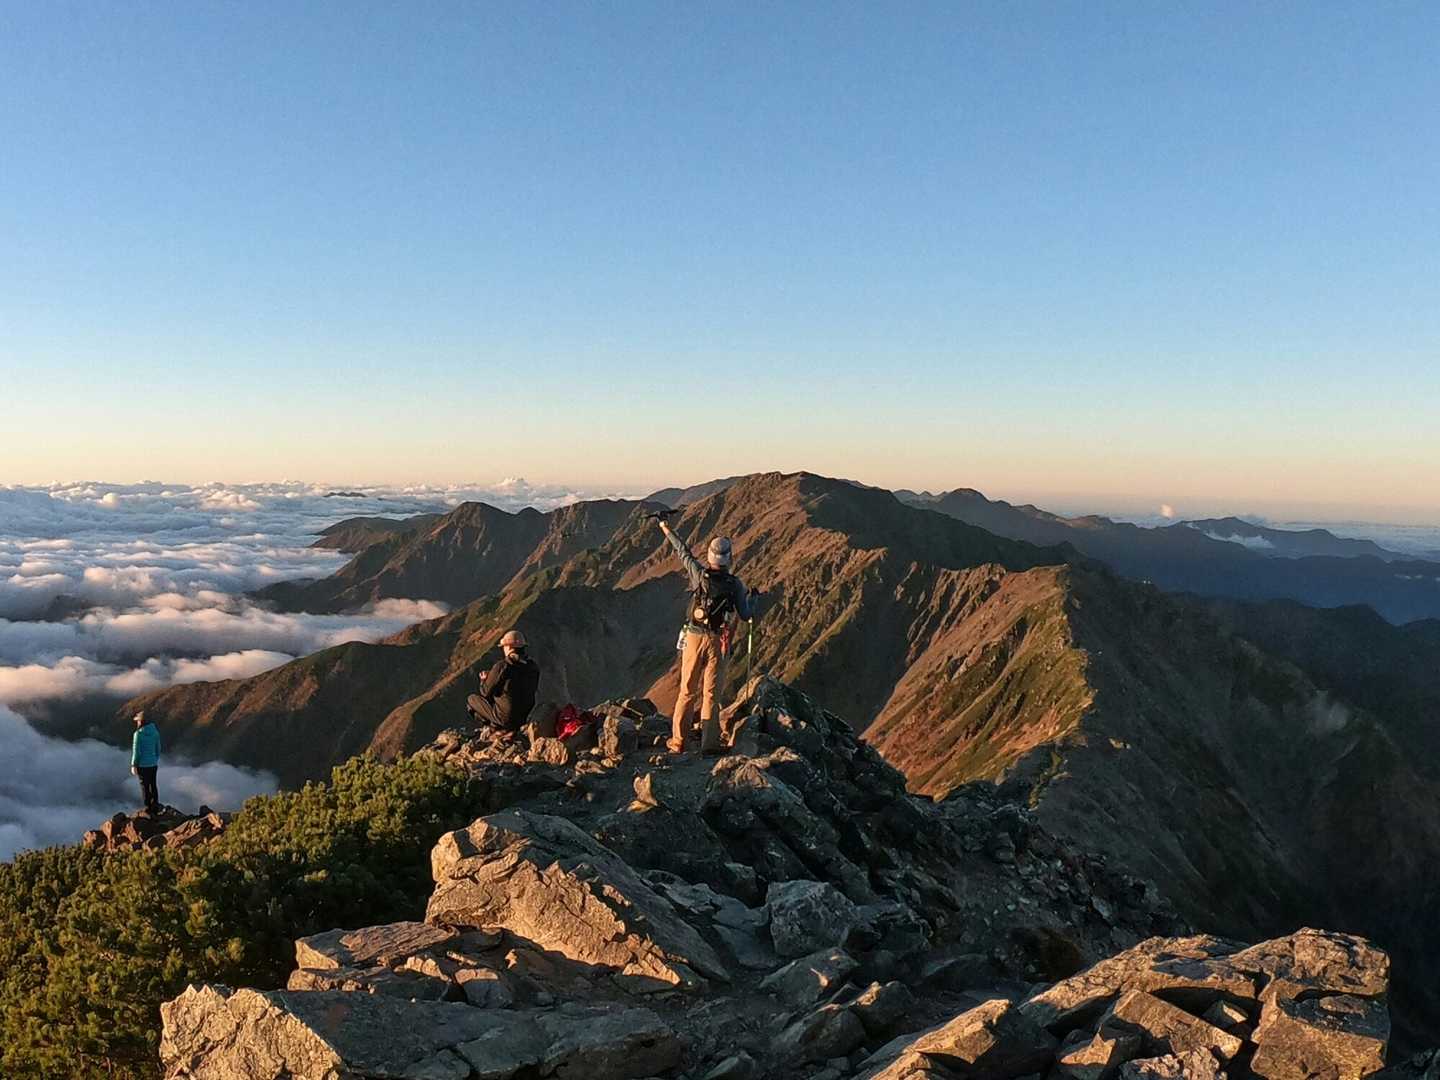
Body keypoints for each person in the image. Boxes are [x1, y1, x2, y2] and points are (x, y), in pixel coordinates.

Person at [657, 517, 753, 754]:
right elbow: (745, 614)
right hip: (718, 641)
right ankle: (709, 745)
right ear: (729, 558)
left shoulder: (699, 575)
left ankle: (679, 741)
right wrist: (754, 599)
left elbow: (683, 552)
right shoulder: (735, 585)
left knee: (687, 691)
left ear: (710, 556)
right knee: (711, 694)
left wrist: (665, 527)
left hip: (693, 637)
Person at [466, 629, 540, 741]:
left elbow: (485, 692)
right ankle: (505, 729)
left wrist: (484, 680)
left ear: (509, 647)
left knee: (471, 700)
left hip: (505, 718)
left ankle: (494, 729)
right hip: (524, 717)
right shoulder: (533, 667)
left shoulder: (503, 666)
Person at [130, 711, 161, 815]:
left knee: (145, 786)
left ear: (141, 722)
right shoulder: (155, 732)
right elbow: (158, 749)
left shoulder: (138, 734)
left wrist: (134, 765)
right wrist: (154, 759)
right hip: (153, 764)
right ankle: (155, 806)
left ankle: (148, 808)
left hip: (142, 765)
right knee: (153, 785)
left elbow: (136, 751)